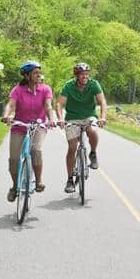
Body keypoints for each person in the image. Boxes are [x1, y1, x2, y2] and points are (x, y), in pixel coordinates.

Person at [1, 61, 56, 202]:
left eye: (39, 72)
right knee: (14, 159)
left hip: (38, 126)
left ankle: (38, 182)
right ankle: (15, 187)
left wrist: (51, 118)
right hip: (19, 126)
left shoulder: (45, 89)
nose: (39, 74)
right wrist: (6, 115)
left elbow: (48, 106)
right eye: (35, 72)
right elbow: (11, 104)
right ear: (27, 76)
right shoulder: (17, 90)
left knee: (35, 150)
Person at [56, 62, 107, 193]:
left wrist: (102, 117)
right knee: (72, 147)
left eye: (86, 74)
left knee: (93, 131)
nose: (85, 77)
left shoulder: (94, 84)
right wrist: (61, 119)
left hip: (89, 116)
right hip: (72, 118)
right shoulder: (68, 86)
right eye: (82, 74)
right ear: (77, 76)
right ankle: (69, 180)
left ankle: (93, 153)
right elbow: (59, 104)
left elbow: (102, 102)